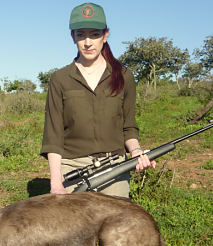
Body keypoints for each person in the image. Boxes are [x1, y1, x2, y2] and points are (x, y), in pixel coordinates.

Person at [40, 2, 155, 196]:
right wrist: (56, 183)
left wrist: (136, 152)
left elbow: (129, 127)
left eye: (94, 34)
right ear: (72, 37)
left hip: (114, 169)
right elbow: (53, 134)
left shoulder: (124, 76)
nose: (87, 42)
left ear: (106, 35)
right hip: (72, 170)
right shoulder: (59, 78)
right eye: (80, 35)